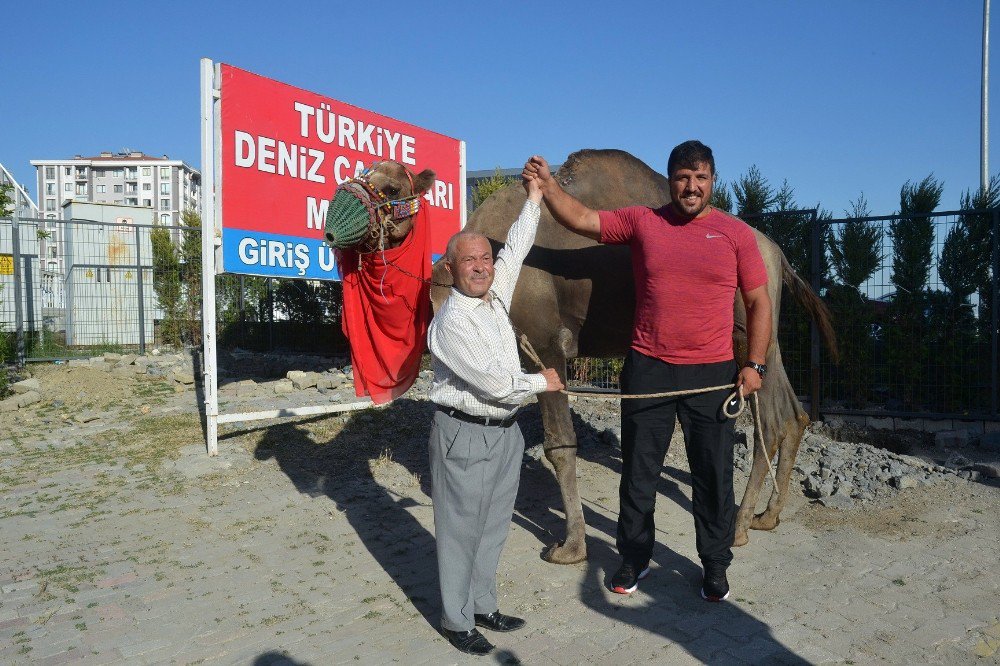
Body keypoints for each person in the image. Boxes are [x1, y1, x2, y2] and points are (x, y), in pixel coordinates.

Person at [522, 140, 771, 602]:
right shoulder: (643, 221)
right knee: (638, 475)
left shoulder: (736, 235)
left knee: (713, 476)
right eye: (682, 177)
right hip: (648, 370)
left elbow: (758, 303)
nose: (690, 186)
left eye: (699, 177)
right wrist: (549, 187)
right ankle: (633, 558)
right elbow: (581, 218)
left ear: (713, 181)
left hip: (712, 375)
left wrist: (753, 364)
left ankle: (715, 564)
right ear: (671, 179)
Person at [427, 173, 564, 656]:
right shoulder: (450, 322)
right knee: (461, 529)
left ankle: (483, 603)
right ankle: (456, 619)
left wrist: (533, 200)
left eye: (485, 258)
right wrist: (541, 382)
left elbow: (517, 250)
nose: (482, 267)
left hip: (505, 434)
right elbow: (494, 384)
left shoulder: (493, 296)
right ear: (451, 268)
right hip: (464, 434)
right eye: (470, 260)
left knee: (493, 525)